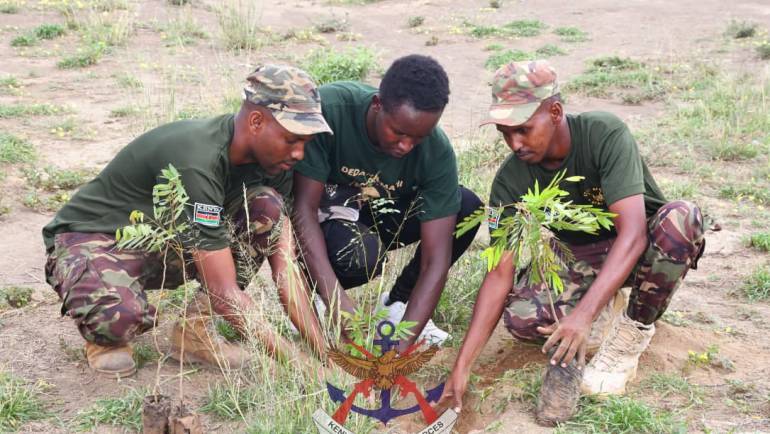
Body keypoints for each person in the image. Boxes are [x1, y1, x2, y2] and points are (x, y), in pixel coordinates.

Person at [437, 60, 705, 424]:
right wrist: (462, 366)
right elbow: (499, 273)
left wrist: (581, 316)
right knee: (521, 319)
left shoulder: (604, 134)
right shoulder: (509, 182)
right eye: (504, 132)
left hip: (644, 246)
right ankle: (605, 302)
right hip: (581, 255)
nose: (514, 143)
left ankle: (630, 333)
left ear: (556, 111)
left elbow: (633, 234)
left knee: (682, 219)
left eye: (524, 129)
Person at [43, 65, 332, 378]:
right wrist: (304, 368)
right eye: (292, 139)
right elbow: (224, 292)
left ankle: (194, 335)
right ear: (256, 121)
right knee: (118, 318)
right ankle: (103, 333)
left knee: (267, 209)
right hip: (93, 240)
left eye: (305, 142)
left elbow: (286, 273)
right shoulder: (199, 160)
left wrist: (326, 357)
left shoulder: (275, 163)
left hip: (164, 240)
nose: (300, 153)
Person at [292, 54, 483, 348]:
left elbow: (436, 258)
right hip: (327, 216)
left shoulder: (435, 150)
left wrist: (405, 343)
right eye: (399, 133)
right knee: (357, 254)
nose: (406, 146)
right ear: (378, 104)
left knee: (466, 207)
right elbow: (302, 210)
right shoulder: (330, 111)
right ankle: (315, 297)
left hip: (381, 213)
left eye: (419, 137)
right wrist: (338, 302)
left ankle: (398, 307)